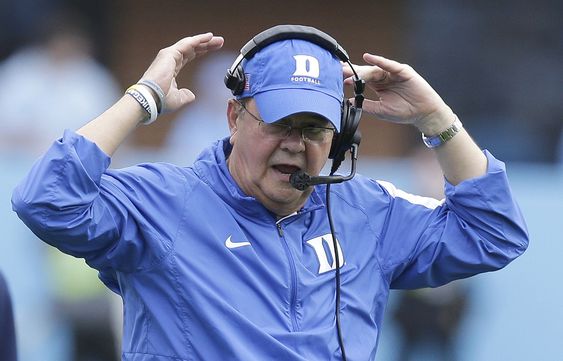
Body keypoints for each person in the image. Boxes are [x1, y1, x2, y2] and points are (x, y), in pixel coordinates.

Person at [12, 25, 529, 360]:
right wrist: (142, 99)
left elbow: (494, 233)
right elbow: (46, 200)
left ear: (341, 136)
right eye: (280, 123)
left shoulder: (368, 210)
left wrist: (434, 118)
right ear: (235, 116)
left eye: (314, 129)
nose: (295, 145)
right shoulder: (163, 202)